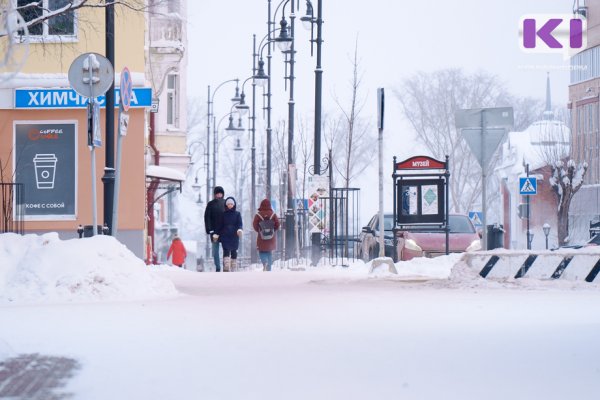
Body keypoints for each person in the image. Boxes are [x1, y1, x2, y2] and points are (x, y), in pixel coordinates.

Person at [215, 196, 243, 272]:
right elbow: (220, 225)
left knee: (234, 250)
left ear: (234, 205)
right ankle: (226, 266)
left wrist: (239, 229)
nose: (230, 205)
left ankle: (233, 265)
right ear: (226, 205)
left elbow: (240, 224)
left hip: (234, 234)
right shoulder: (223, 214)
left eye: (231, 204)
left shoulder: (237, 214)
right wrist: (216, 233)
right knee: (226, 250)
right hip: (225, 234)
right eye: (228, 204)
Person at [252, 198, 280, 271]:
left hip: (261, 237)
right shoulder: (273, 214)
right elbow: (277, 224)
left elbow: (254, 224)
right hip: (271, 237)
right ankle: (269, 268)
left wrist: (259, 230)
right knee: (269, 252)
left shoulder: (258, 214)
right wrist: (273, 230)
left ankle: (265, 262)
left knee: (261, 251)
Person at [204, 186, 225, 272]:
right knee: (215, 251)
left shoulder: (226, 203)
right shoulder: (210, 204)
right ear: (215, 194)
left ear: (223, 194)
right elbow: (207, 217)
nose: (219, 194)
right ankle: (218, 267)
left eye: (220, 193)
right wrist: (209, 229)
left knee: (225, 249)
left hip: (224, 230)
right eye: (217, 193)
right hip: (214, 231)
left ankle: (225, 265)